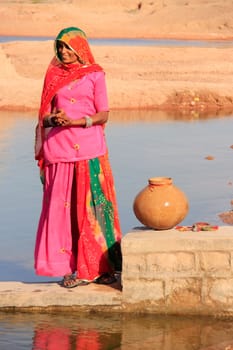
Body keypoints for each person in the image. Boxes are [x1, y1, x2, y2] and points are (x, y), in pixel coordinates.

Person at [34, 27, 122, 288]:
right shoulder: (53, 75)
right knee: (62, 210)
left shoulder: (95, 74)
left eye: (67, 46)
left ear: (80, 48)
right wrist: (54, 119)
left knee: (93, 209)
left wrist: (78, 121)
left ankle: (100, 268)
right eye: (59, 46)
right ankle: (70, 267)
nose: (62, 51)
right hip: (59, 150)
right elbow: (44, 115)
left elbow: (103, 114)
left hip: (89, 149)